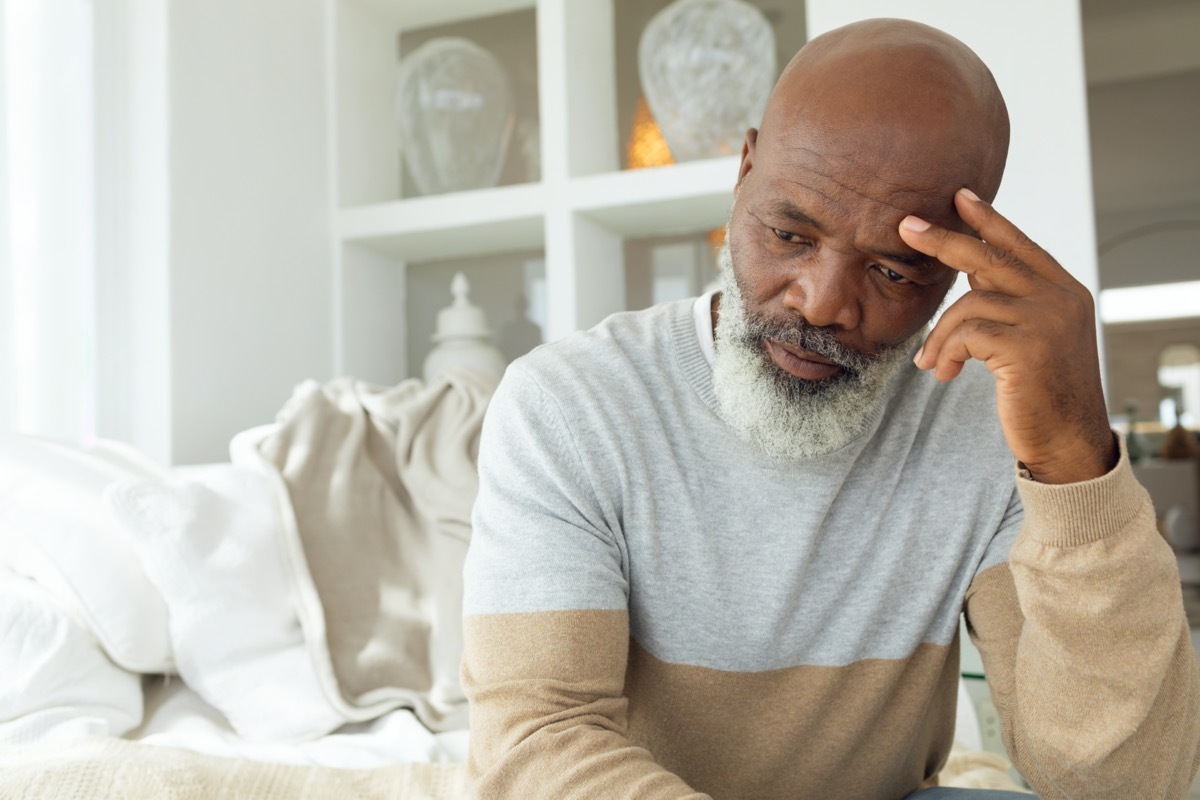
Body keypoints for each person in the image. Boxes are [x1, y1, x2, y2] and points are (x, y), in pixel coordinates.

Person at [460, 18, 1200, 800]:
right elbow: (532, 745)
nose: (821, 304)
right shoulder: (569, 406)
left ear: (957, 268)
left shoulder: (992, 428)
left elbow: (1125, 784)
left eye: (892, 272)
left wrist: (1077, 467)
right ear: (743, 170)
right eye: (788, 233)